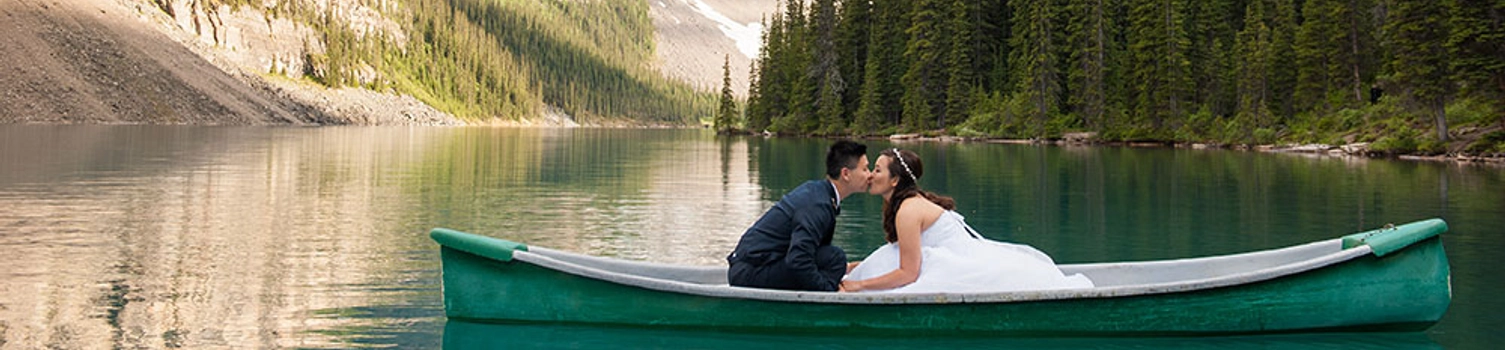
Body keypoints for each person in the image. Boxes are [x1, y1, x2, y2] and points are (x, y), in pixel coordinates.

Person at [840, 148, 1094, 293]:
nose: (871, 176)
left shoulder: (907, 209)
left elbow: (908, 272)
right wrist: (853, 267)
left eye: (877, 169)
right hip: (954, 255)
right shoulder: (902, 204)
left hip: (959, 265)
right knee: (876, 261)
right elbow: (903, 253)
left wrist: (859, 285)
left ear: (894, 180)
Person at [727, 140, 871, 291]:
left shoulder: (820, 194)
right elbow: (798, 259)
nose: (870, 175)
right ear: (846, 174)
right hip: (750, 272)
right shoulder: (818, 204)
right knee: (835, 258)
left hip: (754, 265)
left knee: (835, 260)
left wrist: (846, 268)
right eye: (865, 169)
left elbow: (806, 252)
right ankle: (828, 301)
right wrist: (827, 291)